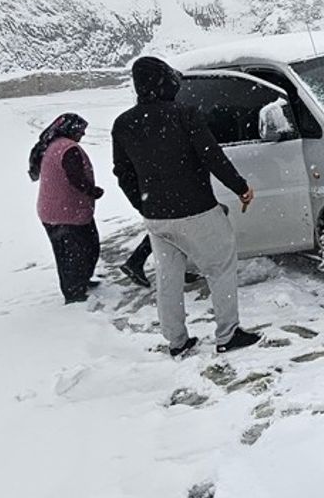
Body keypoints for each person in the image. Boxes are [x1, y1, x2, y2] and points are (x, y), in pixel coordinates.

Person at [112, 56, 261, 357]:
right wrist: (241, 187)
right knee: (220, 267)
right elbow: (212, 157)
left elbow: (123, 174)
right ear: (164, 81)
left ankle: (177, 341)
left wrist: (145, 206)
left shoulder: (124, 123)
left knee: (168, 278)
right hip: (197, 210)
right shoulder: (185, 114)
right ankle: (227, 334)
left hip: (156, 218)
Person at [29, 113, 103, 304]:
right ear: (71, 129)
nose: (83, 134)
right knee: (73, 254)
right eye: (81, 131)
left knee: (83, 248)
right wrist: (93, 191)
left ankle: (80, 281)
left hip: (59, 211)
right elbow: (76, 179)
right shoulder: (68, 149)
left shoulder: (55, 145)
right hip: (64, 212)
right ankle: (73, 294)